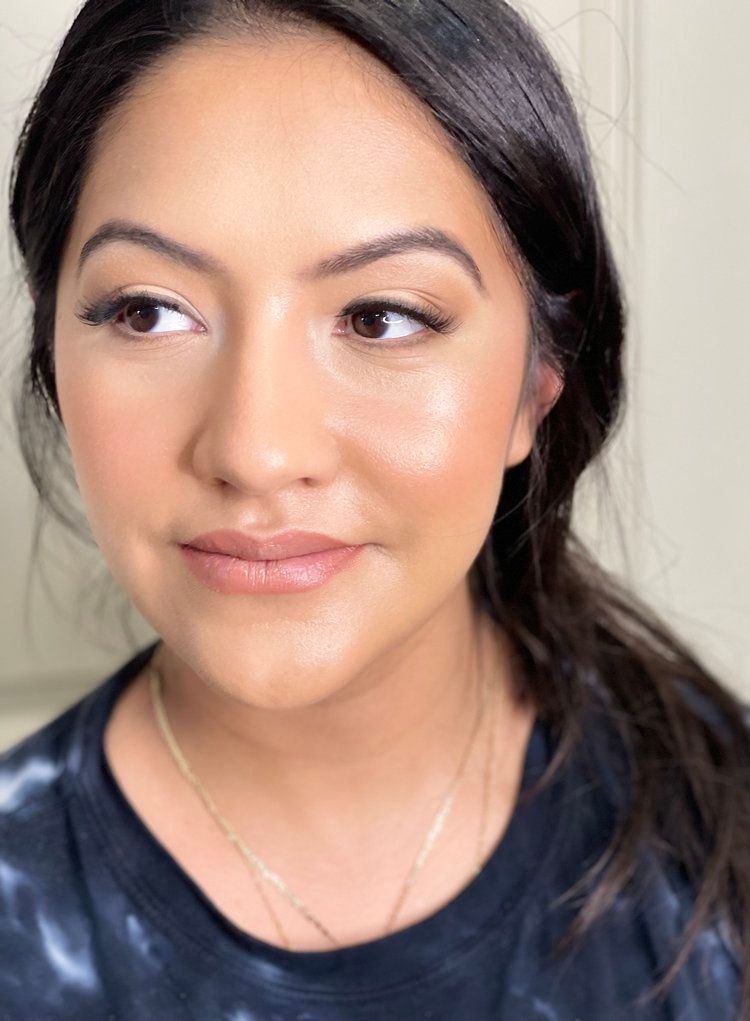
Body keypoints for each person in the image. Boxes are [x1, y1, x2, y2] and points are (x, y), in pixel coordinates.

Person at [1, 1, 748, 1018]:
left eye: (382, 317)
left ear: (537, 387)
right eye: (148, 311)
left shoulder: (719, 839)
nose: (257, 452)